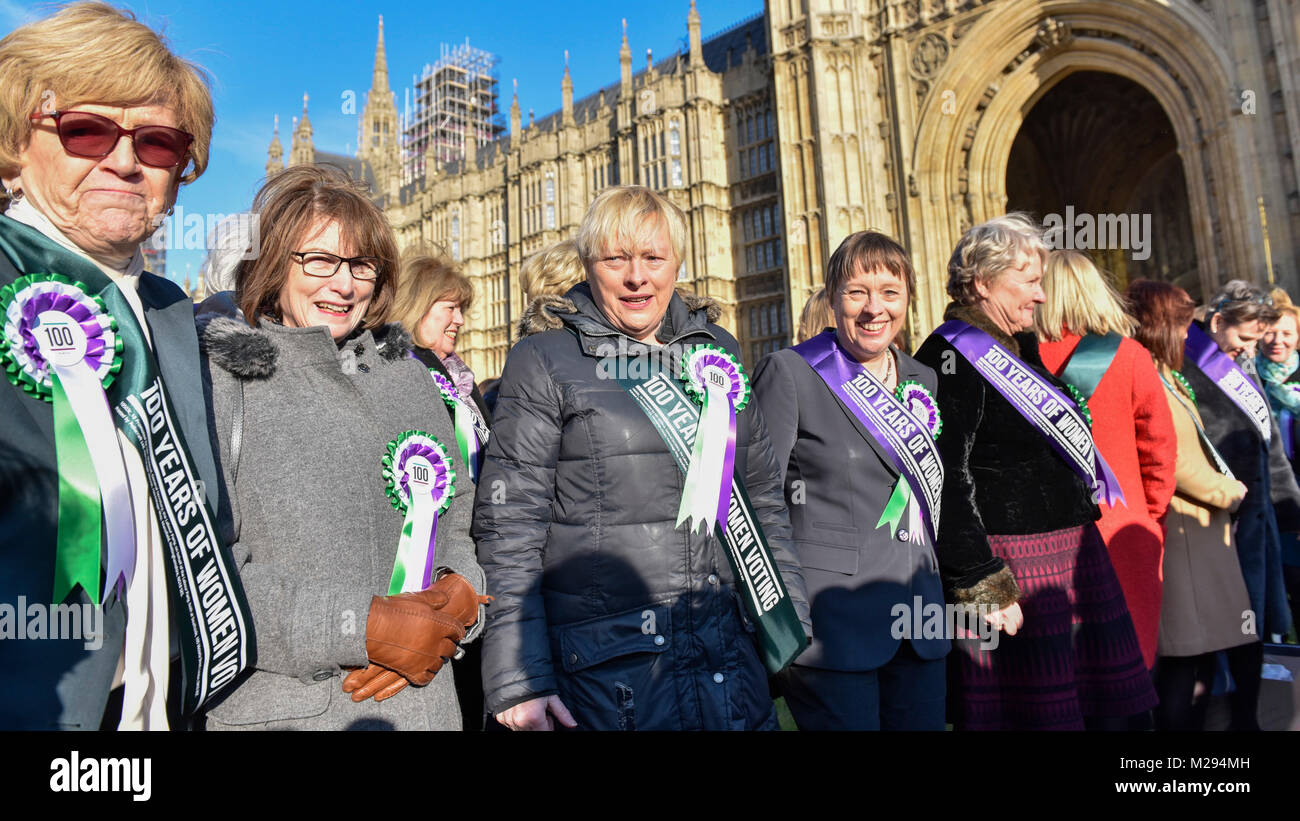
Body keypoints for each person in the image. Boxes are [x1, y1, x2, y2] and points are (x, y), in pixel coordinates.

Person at [473, 185, 810, 731]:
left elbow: (764, 498)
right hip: (613, 677)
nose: (637, 277)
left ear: (677, 262)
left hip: (728, 663)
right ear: (588, 264)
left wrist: (787, 616)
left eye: (654, 258)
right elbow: (509, 529)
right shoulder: (543, 361)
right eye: (616, 259)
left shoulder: (716, 352)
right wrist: (520, 678)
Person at [0, 2, 253, 730]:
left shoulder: (172, 310)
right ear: (17, 144)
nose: (122, 160)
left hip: (161, 709)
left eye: (157, 141)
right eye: (85, 129)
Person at [197, 164, 487, 730]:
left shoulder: (406, 378)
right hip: (291, 712)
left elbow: (459, 515)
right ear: (273, 262)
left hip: (427, 705)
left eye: (360, 264)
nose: (344, 284)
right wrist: (363, 628)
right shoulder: (223, 381)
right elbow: (207, 575)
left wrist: (460, 595)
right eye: (319, 261)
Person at [914, 213, 1156, 730]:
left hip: (1072, 553)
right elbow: (943, 478)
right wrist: (983, 584)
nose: (1041, 296)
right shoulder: (946, 358)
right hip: (1013, 566)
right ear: (982, 283)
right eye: (1028, 281)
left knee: (1106, 714)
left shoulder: (1019, 346)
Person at [752, 231, 949, 730]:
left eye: (889, 292)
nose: (873, 309)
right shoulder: (792, 372)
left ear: (908, 298)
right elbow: (757, 504)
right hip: (831, 628)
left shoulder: (922, 378)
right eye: (856, 292)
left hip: (919, 621)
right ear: (833, 297)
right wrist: (780, 615)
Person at [1036, 250, 1177, 672]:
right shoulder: (1131, 356)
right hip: (1123, 533)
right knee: (1126, 676)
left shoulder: (1016, 359)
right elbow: (1159, 452)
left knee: (1065, 678)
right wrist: (1147, 515)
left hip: (1047, 538)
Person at [1126, 280, 1255, 730]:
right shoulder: (1148, 375)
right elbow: (1170, 457)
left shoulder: (1165, 372)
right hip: (1181, 535)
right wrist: (1227, 491)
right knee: (1181, 661)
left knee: (1197, 660)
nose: (1187, 335)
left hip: (1199, 535)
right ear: (1157, 326)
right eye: (1181, 326)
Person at [1182, 280, 1300, 726]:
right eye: (1245, 338)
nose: (1251, 349)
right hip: (1213, 524)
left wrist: (1291, 511)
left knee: (1259, 632)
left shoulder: (1241, 362)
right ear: (1217, 323)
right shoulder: (1186, 361)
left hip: (1259, 523)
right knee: (1219, 634)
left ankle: (1253, 716)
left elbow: (1270, 448)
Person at [391, 246, 492, 728]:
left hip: (470, 563)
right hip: (425, 570)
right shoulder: (402, 373)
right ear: (416, 302)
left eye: (462, 309)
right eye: (449, 306)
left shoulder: (459, 382)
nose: (459, 319)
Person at [1258, 289, 1300, 640]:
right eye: (1270, 332)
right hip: (1269, 499)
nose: (1277, 341)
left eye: (1287, 333)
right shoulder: (1247, 376)